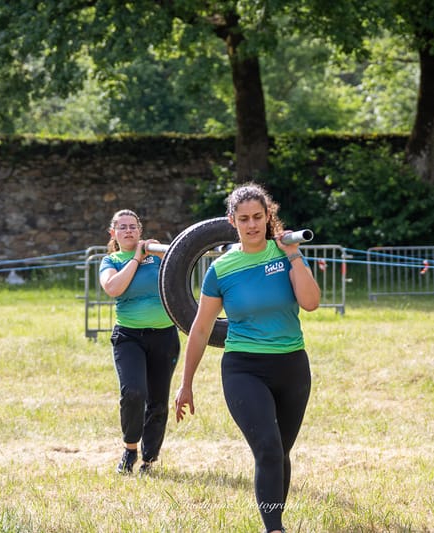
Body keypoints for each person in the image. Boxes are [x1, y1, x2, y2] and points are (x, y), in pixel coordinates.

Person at [174, 183, 321, 533]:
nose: (252, 224)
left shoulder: (284, 253)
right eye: (244, 219)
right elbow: (200, 328)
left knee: (280, 453)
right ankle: (274, 529)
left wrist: (295, 255)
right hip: (244, 369)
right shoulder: (222, 269)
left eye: (258, 217)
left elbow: (311, 302)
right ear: (232, 221)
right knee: (268, 449)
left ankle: (275, 518)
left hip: (292, 366)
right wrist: (186, 383)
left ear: (268, 217)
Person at [99, 209, 180, 475]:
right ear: (113, 233)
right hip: (129, 337)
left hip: (164, 336)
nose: (128, 231)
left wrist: (156, 252)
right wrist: (136, 258)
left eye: (133, 226)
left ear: (140, 230)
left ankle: (149, 459)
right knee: (133, 393)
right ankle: (130, 449)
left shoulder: (156, 255)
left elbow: (181, 261)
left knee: (158, 400)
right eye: (122, 227)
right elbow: (113, 288)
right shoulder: (111, 260)